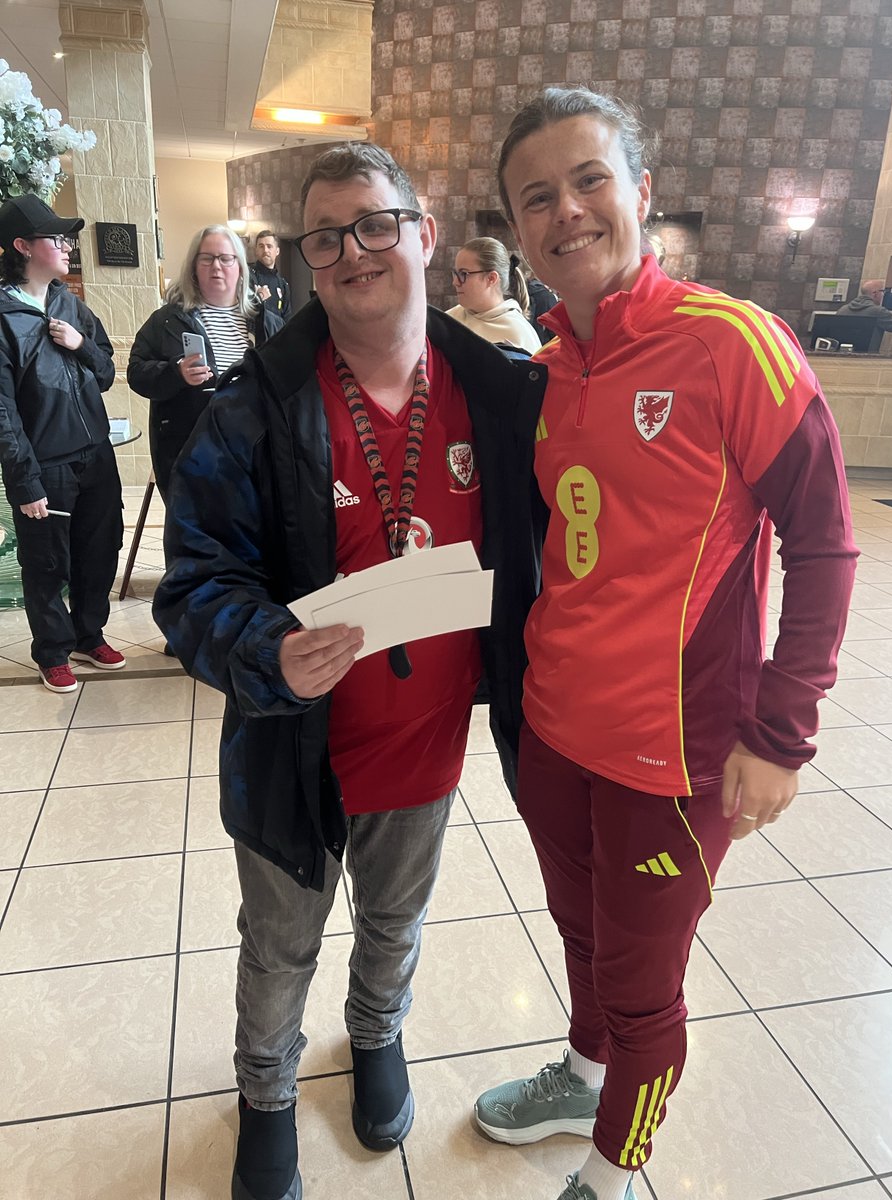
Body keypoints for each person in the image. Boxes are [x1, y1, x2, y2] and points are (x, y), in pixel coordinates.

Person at [471, 87, 858, 1200]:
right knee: (584, 938)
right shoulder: (546, 374)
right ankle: (581, 1074)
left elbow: (826, 543)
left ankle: (612, 1170)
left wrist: (782, 735)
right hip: (555, 734)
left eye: (590, 180)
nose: (567, 211)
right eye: (536, 197)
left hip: (675, 757)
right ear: (518, 226)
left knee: (646, 989)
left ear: (641, 191)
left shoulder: (733, 344)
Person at [151, 143, 544, 1200]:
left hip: (426, 748)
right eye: (326, 236)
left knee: (395, 922)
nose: (352, 251)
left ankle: (377, 1038)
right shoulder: (254, 410)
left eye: (375, 224)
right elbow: (190, 587)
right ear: (310, 264)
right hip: (293, 754)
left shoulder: (503, 399)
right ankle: (266, 1093)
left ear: (424, 234)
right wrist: (267, 648)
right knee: (278, 950)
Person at [0, 194, 125, 693]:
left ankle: (88, 633)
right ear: (23, 246)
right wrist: (25, 481)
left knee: (100, 547)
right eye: (57, 238)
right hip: (45, 463)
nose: (68, 246)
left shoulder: (70, 304)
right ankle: (52, 650)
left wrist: (81, 343)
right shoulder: (4, 317)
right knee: (47, 561)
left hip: (96, 453)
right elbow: (3, 412)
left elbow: (108, 372)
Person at [127, 224, 282, 499]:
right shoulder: (167, 320)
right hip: (190, 456)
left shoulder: (266, 323)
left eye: (226, 258)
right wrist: (175, 374)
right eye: (207, 258)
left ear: (239, 266)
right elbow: (137, 373)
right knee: (195, 538)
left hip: (255, 456)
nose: (216, 266)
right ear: (194, 267)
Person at [446, 236, 542, 353]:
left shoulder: (518, 334)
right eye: (455, 273)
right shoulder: (449, 319)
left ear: (491, 278)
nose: (455, 282)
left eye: (464, 274)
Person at [250, 229, 292, 321]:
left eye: (269, 246)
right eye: (261, 246)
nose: (265, 250)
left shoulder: (283, 284)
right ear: (256, 250)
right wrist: (259, 298)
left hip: (277, 334)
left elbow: (287, 319)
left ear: (277, 251)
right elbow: (243, 309)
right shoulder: (248, 275)